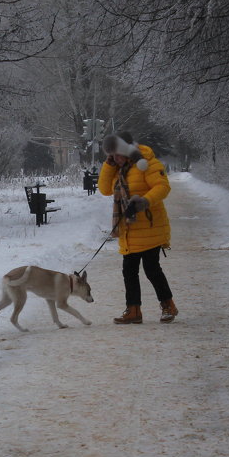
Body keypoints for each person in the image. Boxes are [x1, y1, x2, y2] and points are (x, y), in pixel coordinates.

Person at [97, 132, 178, 324]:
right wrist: (109, 165)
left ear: (127, 150)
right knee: (129, 271)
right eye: (112, 156)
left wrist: (143, 201)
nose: (115, 158)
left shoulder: (147, 163)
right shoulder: (119, 168)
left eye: (117, 154)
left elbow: (163, 187)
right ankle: (133, 310)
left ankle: (168, 306)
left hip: (150, 226)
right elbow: (104, 189)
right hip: (129, 230)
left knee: (151, 269)